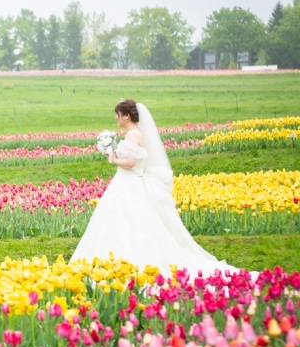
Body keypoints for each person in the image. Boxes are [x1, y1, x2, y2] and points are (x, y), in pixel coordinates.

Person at [70, 99, 233, 280]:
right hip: (128, 183)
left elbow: (131, 163)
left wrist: (113, 158)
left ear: (127, 115)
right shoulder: (136, 133)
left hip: (128, 183)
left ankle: (123, 260)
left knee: (125, 221)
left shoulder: (132, 135)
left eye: (118, 115)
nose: (116, 119)